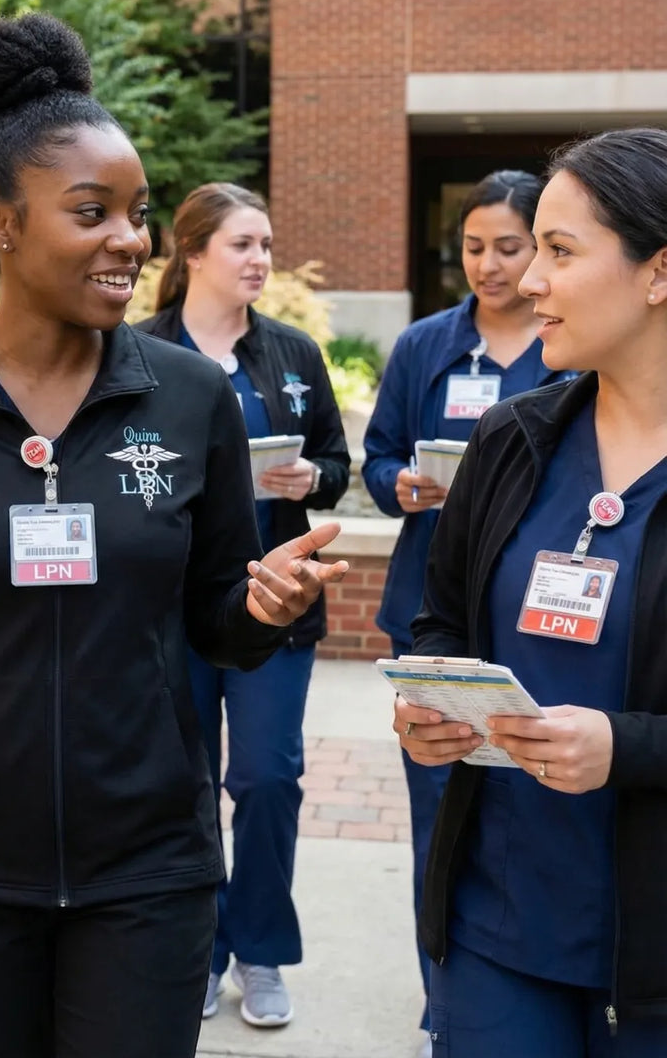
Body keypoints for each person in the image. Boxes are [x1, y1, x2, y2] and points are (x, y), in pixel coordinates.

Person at [0, 13, 350, 1058]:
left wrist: (259, 608)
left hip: (150, 870)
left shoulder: (187, 400)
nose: (130, 240)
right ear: (0, 222)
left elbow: (215, 624)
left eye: (135, 214)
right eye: (92, 213)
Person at [395, 127, 667, 1056]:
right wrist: (431, 706)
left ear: (658, 272)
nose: (528, 280)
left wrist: (623, 748)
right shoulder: (513, 440)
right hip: (498, 931)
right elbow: (442, 626)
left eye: (559, 251)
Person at [362, 169, 573, 1047]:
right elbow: (376, 460)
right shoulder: (424, 346)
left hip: (540, 620)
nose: (491, 265)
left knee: (541, 823)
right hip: (438, 607)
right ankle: (446, 994)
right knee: (441, 822)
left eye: (513, 247)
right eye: (473, 247)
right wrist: (400, 484)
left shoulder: (569, 352)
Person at [137, 183, 350, 1028]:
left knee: (267, 779)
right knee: (183, 784)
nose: (261, 259)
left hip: (276, 608)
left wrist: (313, 478)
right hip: (175, 611)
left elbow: (335, 458)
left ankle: (259, 950)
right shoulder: (137, 352)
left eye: (266, 244)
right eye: (243, 245)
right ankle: (199, 951)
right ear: (192, 254)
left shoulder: (293, 354)